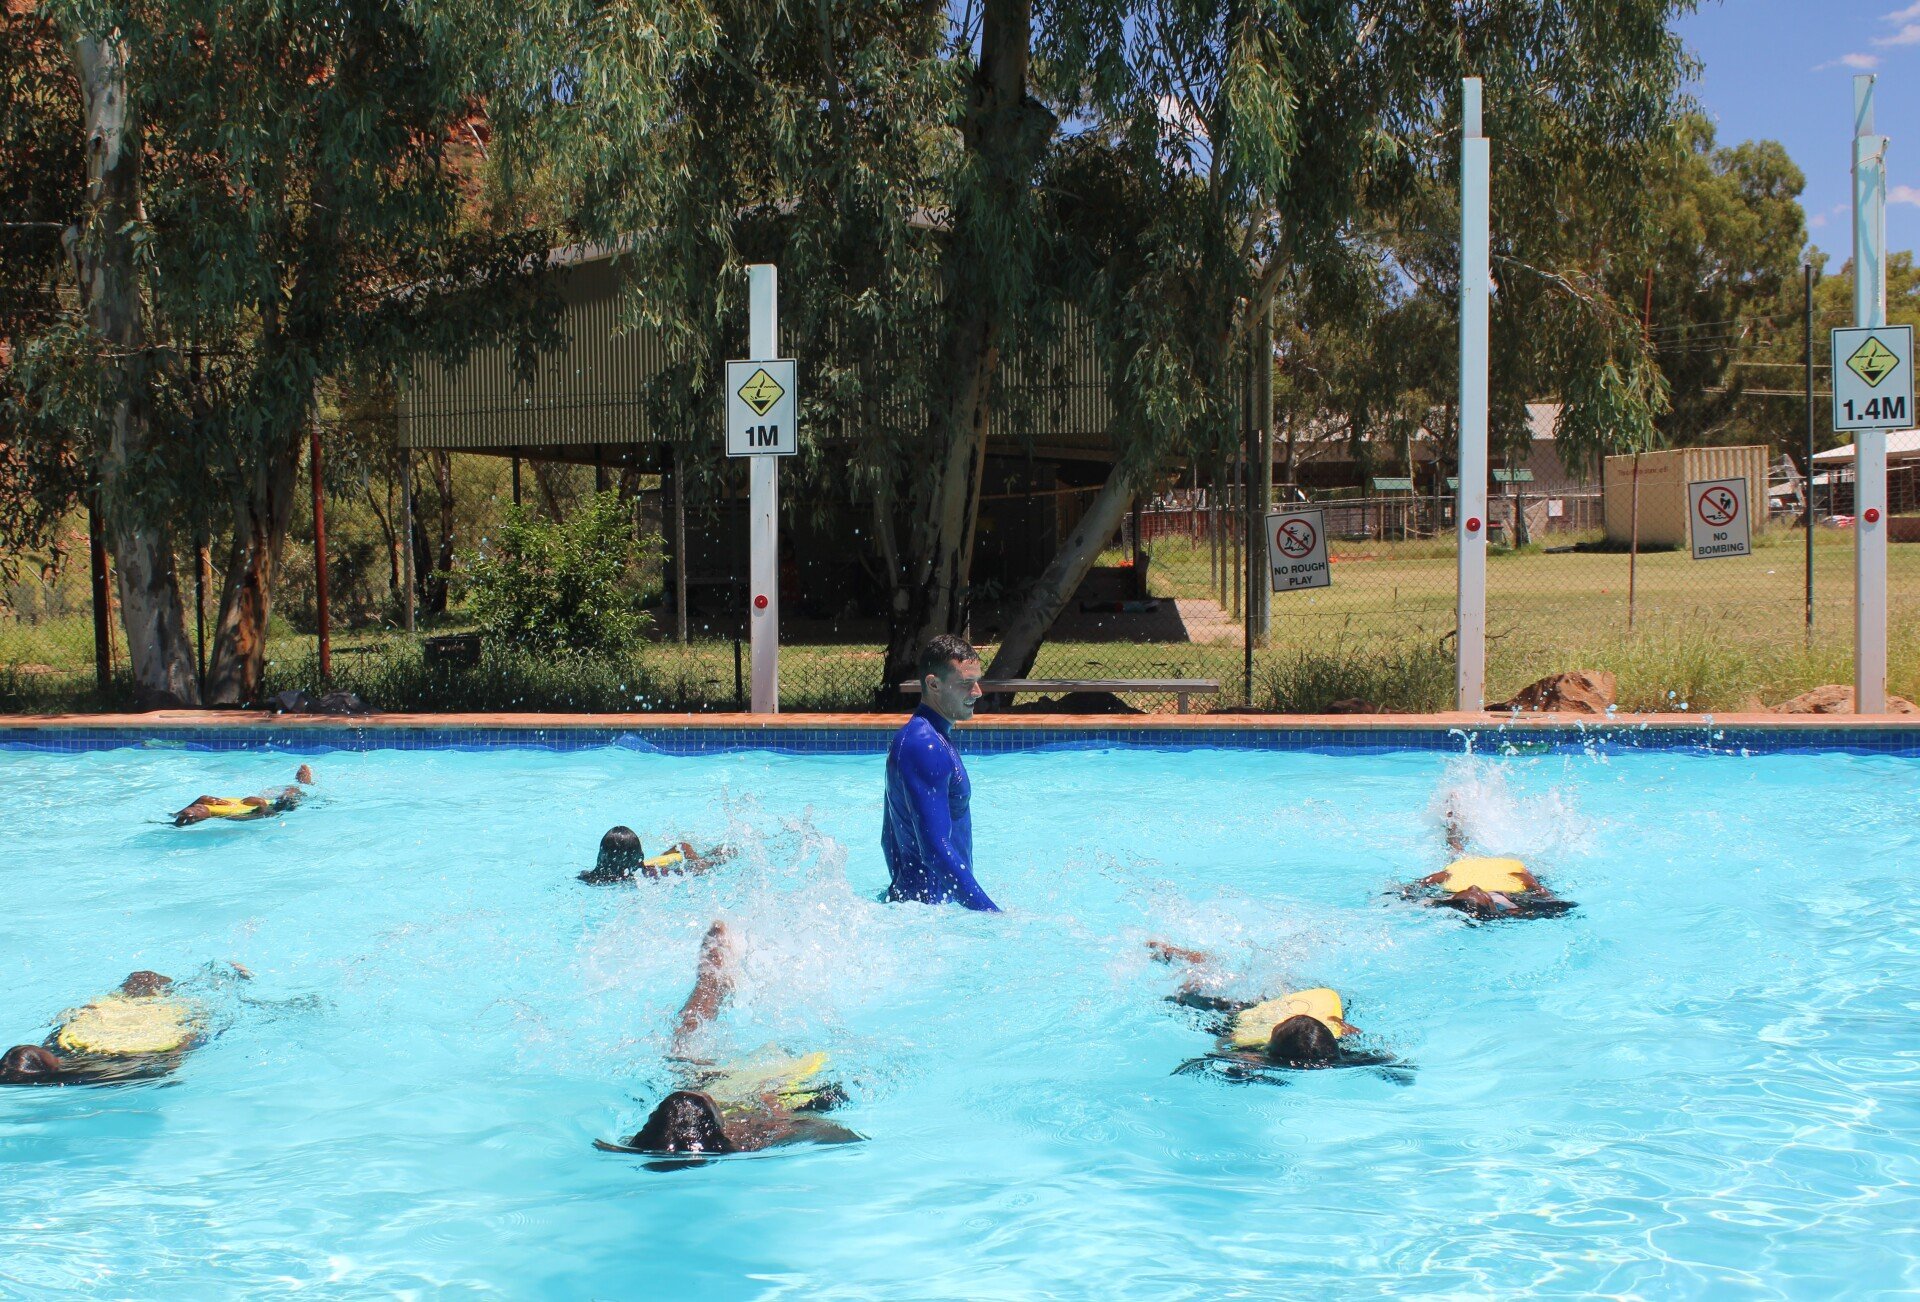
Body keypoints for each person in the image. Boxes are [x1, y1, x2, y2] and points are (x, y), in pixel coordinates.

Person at [596, 922, 861, 1159]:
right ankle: (712, 980)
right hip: (776, 1086)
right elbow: (842, 1134)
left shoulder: (644, 1143)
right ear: (720, 1124)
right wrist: (779, 1115)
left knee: (682, 1048)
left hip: (721, 1083)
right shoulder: (756, 1136)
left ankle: (711, 980)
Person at [1147, 942, 1408, 1085]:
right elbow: (1387, 1061)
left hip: (1261, 1017)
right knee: (1186, 994)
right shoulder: (1347, 1058)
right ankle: (1195, 962)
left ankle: (1202, 965)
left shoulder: (1267, 1058)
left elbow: (1206, 1059)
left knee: (1188, 1000)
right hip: (1245, 1018)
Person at [881, 634, 998, 911]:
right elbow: (935, 850)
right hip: (930, 913)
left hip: (926, 907)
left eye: (977, 681)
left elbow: (888, 837)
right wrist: (991, 916)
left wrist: (901, 890)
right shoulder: (925, 746)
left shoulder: (925, 738)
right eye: (966, 684)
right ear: (934, 684)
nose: (978, 692)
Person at [0, 971, 205, 1086]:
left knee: (141, 979)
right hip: (141, 1049)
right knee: (144, 979)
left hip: (100, 1040)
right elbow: (161, 1067)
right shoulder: (94, 1073)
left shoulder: (62, 1052)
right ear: (52, 1063)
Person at [1402, 805, 1576, 921]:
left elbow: (1433, 879)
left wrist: (1410, 889)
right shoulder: (1512, 900)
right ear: (1490, 904)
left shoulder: (1444, 895)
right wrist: (1544, 894)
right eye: (1477, 892)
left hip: (1467, 866)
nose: (1474, 887)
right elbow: (1529, 882)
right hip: (1505, 868)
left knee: (1456, 849)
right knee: (1457, 850)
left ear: (1454, 897)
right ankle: (1453, 819)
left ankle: (1452, 821)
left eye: (1469, 890)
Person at [577, 826, 734, 885]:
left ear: (601, 855)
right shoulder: (649, 875)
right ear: (640, 857)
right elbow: (695, 870)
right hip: (667, 866)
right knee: (692, 853)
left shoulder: (589, 878)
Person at [172, 765, 314, 827]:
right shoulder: (231, 817)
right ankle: (305, 784)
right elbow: (269, 816)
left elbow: (176, 816)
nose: (197, 807)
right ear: (201, 818)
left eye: (195, 806)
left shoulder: (195, 810)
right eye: (197, 810)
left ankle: (301, 785)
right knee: (290, 794)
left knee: (268, 791)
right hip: (279, 810)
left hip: (253, 804)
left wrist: (197, 801)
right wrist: (262, 806)